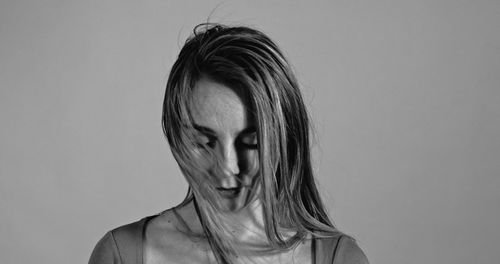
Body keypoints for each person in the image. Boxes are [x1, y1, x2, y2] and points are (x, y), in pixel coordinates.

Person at [89, 23, 368, 264]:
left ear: (284, 138)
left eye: (252, 143)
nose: (227, 168)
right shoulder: (121, 254)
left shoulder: (339, 258)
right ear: (176, 135)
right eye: (204, 143)